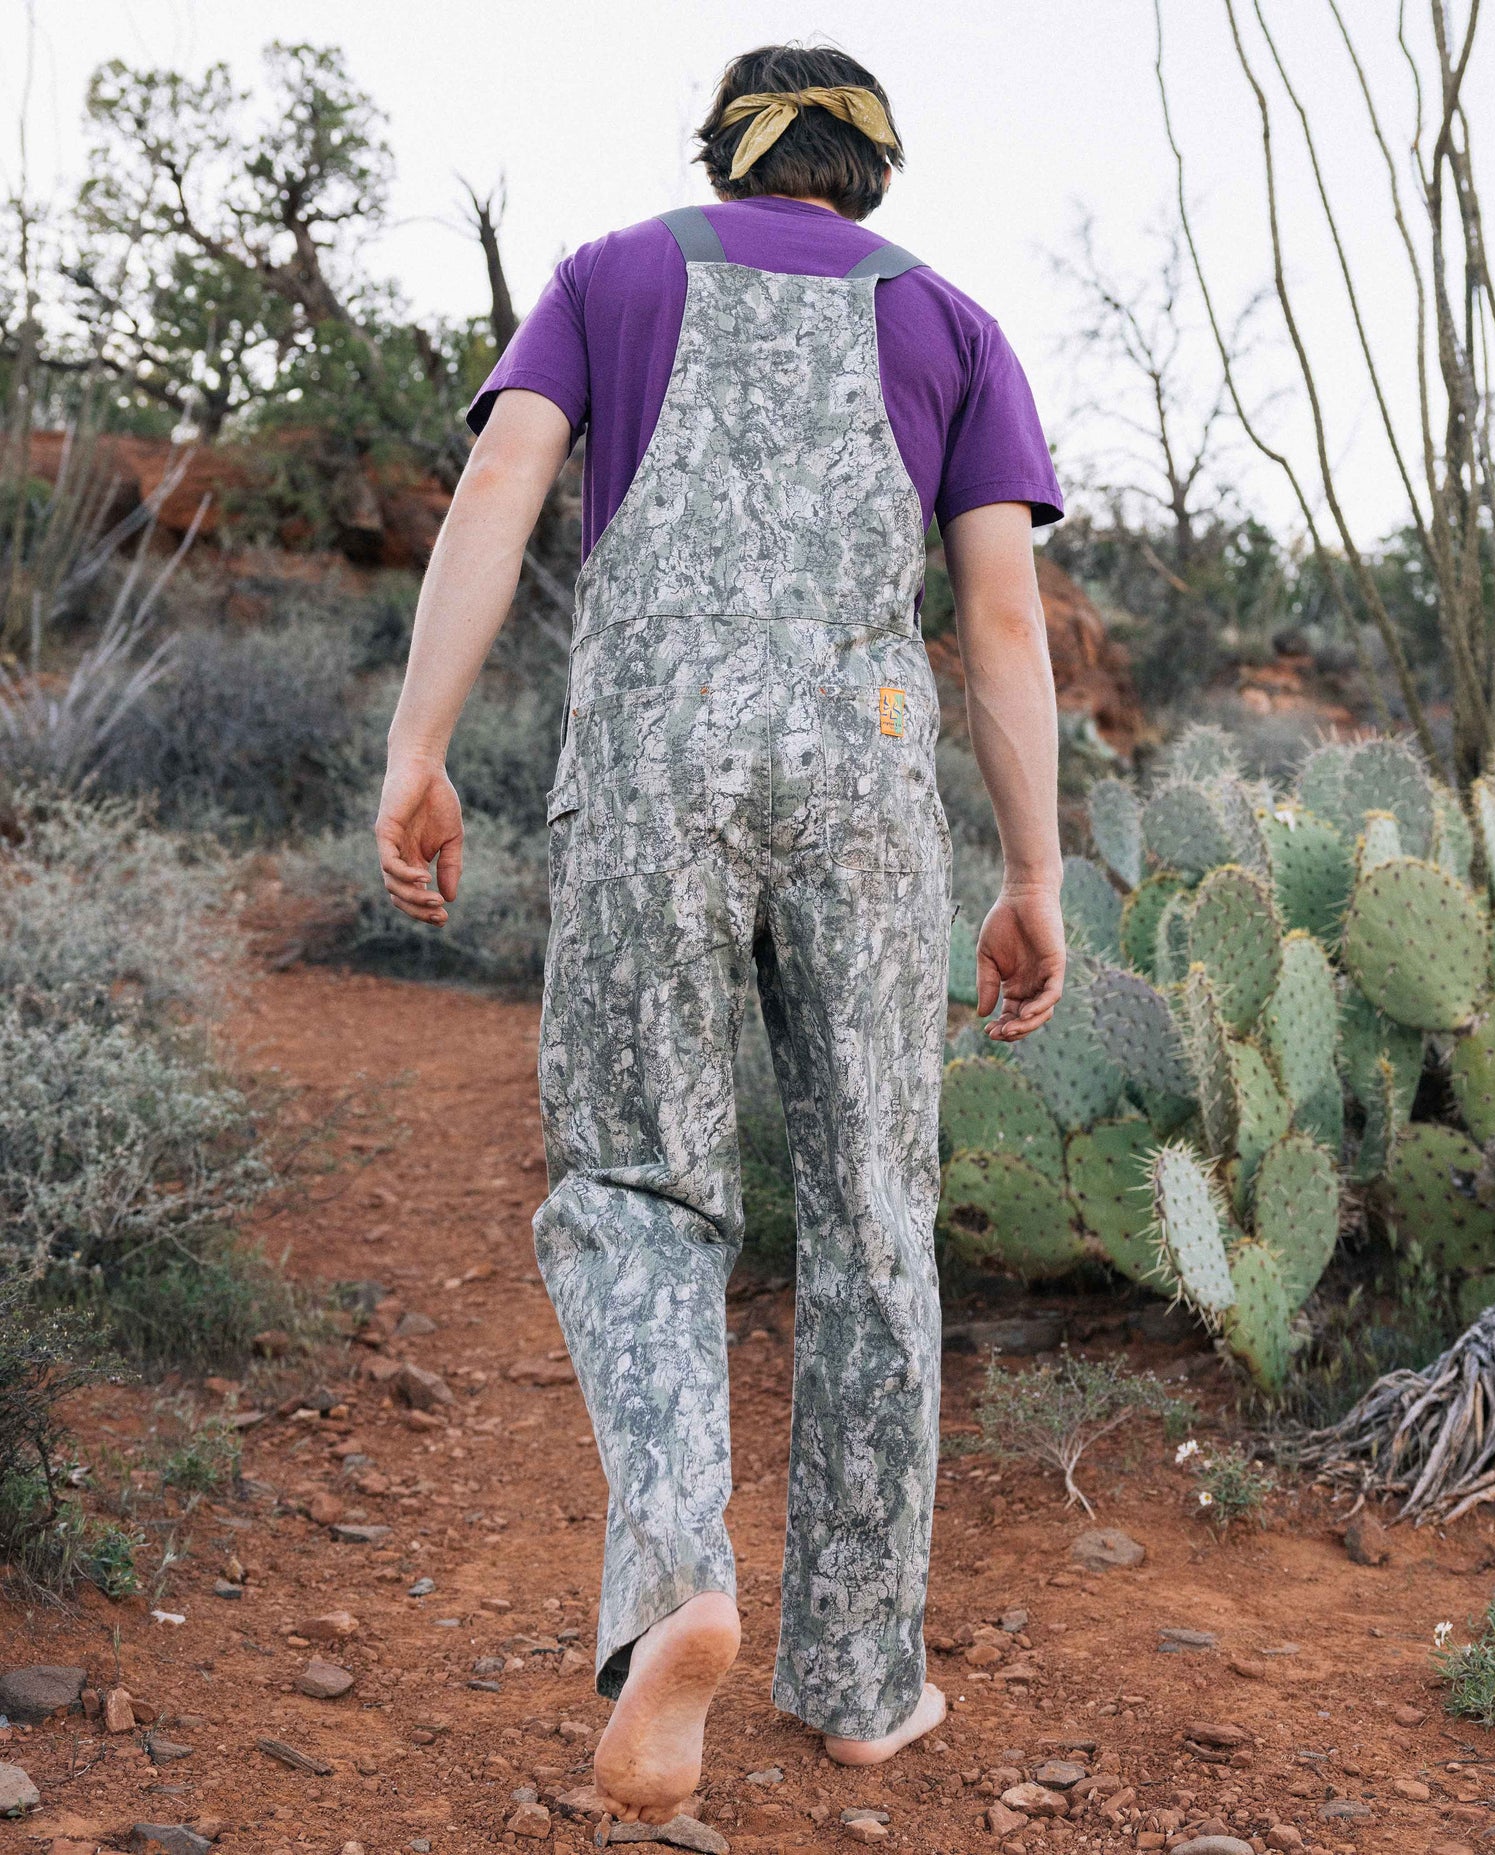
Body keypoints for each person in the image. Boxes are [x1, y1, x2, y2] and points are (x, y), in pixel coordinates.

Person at [376, 41, 1067, 1828]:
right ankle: (859, 1682)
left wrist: (420, 752)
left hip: (655, 775)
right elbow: (1000, 626)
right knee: (871, 1226)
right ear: (872, 173)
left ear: (726, 155)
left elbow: (497, 499)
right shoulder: (956, 325)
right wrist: (1035, 877)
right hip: (865, 791)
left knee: (633, 1191)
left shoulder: (613, 275)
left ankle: (681, 1578)